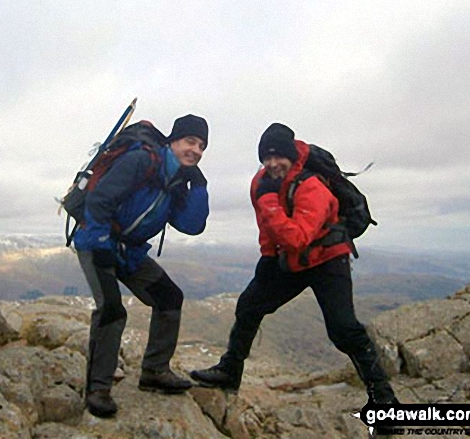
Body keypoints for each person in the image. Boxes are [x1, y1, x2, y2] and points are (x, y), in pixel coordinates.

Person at [190, 123, 397, 405]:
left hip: (327, 258)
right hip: (292, 259)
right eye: (266, 157)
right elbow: (266, 226)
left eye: (279, 157)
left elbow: (297, 237)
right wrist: (267, 256)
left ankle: (384, 398)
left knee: (343, 329)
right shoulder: (261, 181)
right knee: (249, 305)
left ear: (291, 156)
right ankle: (230, 370)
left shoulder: (311, 186)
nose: (273, 164)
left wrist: (270, 201)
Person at [74, 114, 209, 418]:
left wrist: (199, 187)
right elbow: (99, 200)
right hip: (97, 240)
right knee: (111, 309)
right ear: (173, 141)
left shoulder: (176, 182)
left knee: (169, 297)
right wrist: (100, 243)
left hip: (129, 252)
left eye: (201, 146)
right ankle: (97, 389)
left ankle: (155, 371)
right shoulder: (141, 161)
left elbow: (191, 225)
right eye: (190, 141)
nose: (196, 150)